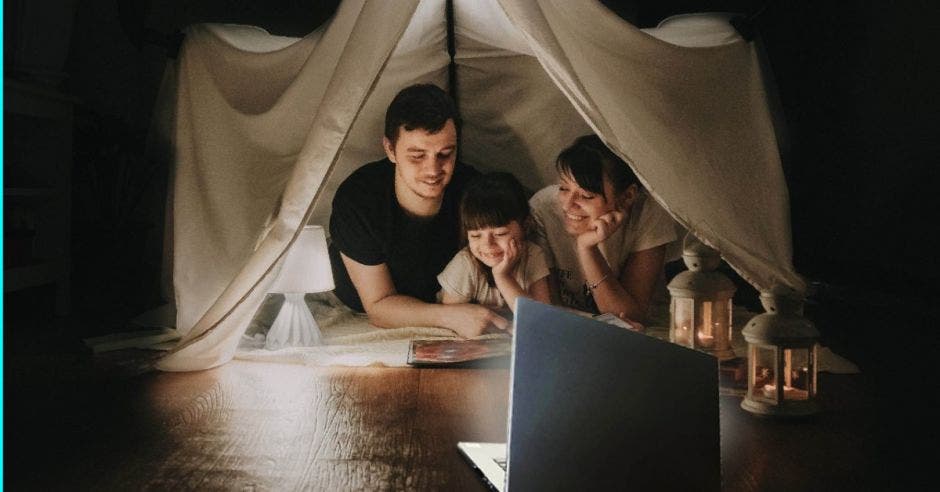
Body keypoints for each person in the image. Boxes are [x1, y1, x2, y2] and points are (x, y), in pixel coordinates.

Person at [328, 83, 510, 337]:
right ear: (390, 149)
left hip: (445, 299)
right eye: (417, 156)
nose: (433, 169)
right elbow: (379, 307)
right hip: (361, 303)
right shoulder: (359, 198)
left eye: (445, 154)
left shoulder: (474, 193)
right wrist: (451, 317)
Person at [529, 134, 678, 322]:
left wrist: (587, 248)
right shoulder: (543, 208)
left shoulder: (648, 212)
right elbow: (548, 311)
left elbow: (628, 319)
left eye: (586, 196)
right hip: (573, 330)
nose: (568, 205)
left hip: (645, 333)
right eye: (564, 188)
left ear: (627, 197)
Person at [438, 172, 551, 317]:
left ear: (526, 225)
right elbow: (448, 319)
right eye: (476, 235)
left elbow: (541, 318)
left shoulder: (533, 255)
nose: (487, 244)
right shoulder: (466, 264)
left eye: (500, 234)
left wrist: (503, 277)